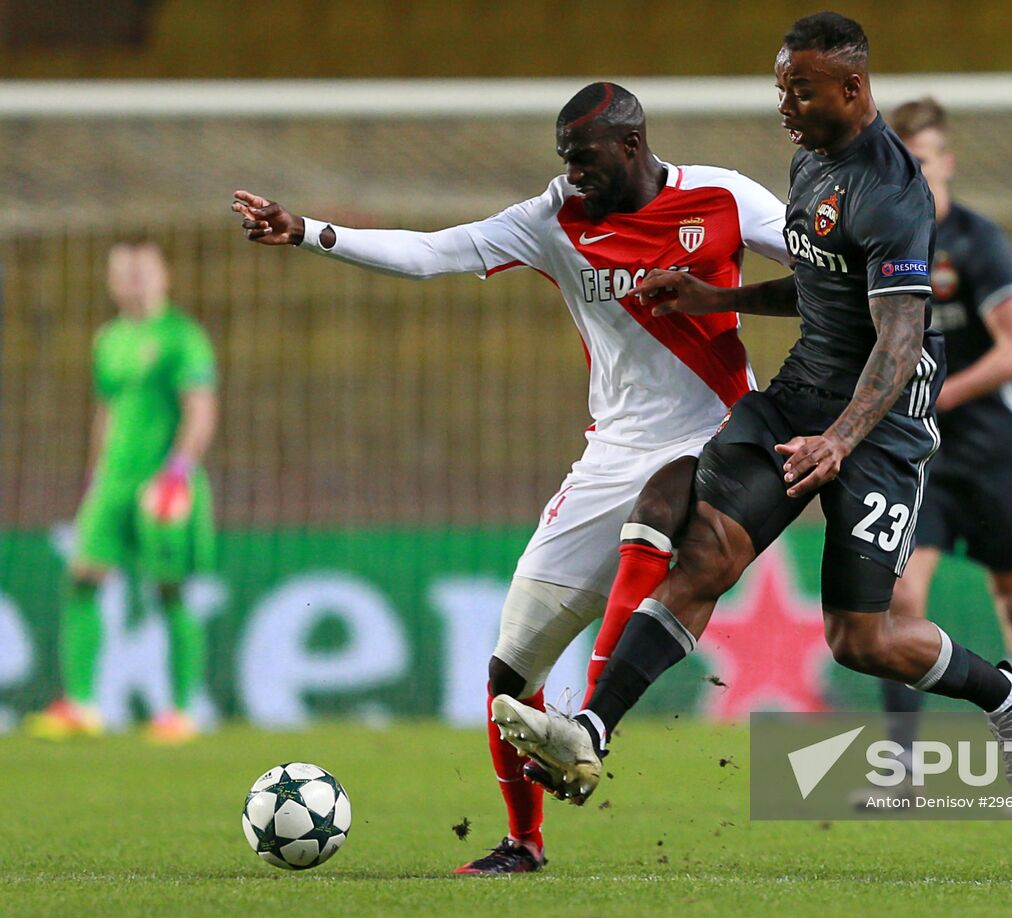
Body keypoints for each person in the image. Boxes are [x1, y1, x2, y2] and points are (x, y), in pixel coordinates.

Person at [493, 12, 1012, 809]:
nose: (784, 104)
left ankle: (1008, 695)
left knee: (861, 639)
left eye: (800, 89)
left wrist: (841, 439)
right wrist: (714, 296)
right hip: (797, 398)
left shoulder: (894, 192)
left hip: (880, 423)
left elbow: (898, 338)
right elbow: (821, 287)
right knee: (707, 551)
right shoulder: (810, 165)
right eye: (781, 87)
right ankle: (592, 732)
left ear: (852, 87)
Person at [232, 81, 790, 873]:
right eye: (565, 160)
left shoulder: (724, 197)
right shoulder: (552, 219)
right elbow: (431, 254)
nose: (572, 174)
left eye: (585, 159)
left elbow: (823, 272)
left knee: (658, 509)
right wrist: (307, 233)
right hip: (611, 451)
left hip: (718, 431)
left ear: (631, 147)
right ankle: (523, 843)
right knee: (506, 674)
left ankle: (592, 729)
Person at [855, 97, 1012, 807]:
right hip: (924, 454)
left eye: (925, 157)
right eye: (902, 158)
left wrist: (940, 391)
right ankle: (903, 771)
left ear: (946, 162)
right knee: (900, 593)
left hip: (994, 447)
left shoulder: (978, 242)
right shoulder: (887, 246)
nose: (915, 169)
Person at [25, 242, 219, 746]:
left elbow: (200, 408)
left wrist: (178, 471)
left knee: (168, 588)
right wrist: (94, 478)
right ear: (111, 283)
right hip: (113, 481)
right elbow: (108, 412)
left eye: (142, 270)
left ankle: (180, 711)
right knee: (83, 576)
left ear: (164, 276)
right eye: (123, 272)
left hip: (163, 482)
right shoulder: (107, 339)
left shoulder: (182, 336)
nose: (133, 279)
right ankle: (82, 705)